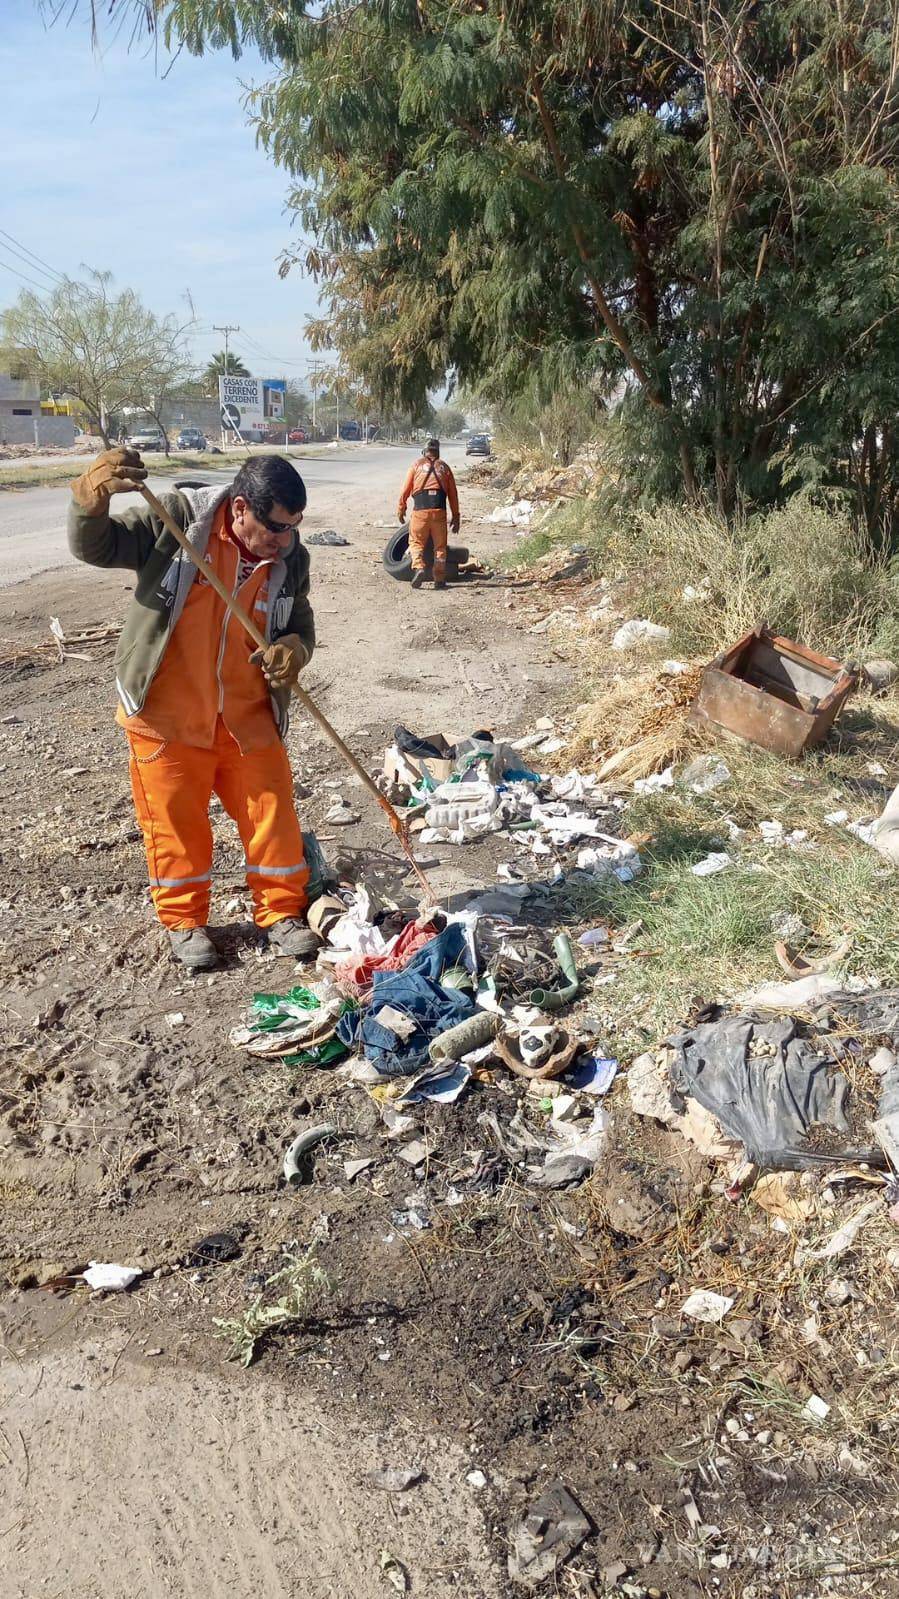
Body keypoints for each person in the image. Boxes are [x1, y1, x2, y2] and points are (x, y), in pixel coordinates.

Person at [68, 448, 320, 971]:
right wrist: (86, 502)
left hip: (247, 716)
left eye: (293, 528)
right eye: (275, 527)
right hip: (168, 715)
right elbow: (96, 546)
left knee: (273, 815)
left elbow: (300, 618)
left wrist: (294, 650)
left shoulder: (291, 557)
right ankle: (184, 921)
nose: (283, 540)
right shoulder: (177, 521)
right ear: (241, 508)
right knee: (176, 824)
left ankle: (280, 913)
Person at [397, 437, 460, 590]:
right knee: (440, 547)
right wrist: (456, 516)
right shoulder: (444, 467)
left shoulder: (416, 465)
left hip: (420, 512)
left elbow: (405, 490)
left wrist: (401, 508)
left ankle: (419, 568)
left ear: (424, 451)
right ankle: (439, 579)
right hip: (439, 512)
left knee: (416, 542)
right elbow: (453, 495)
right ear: (437, 452)